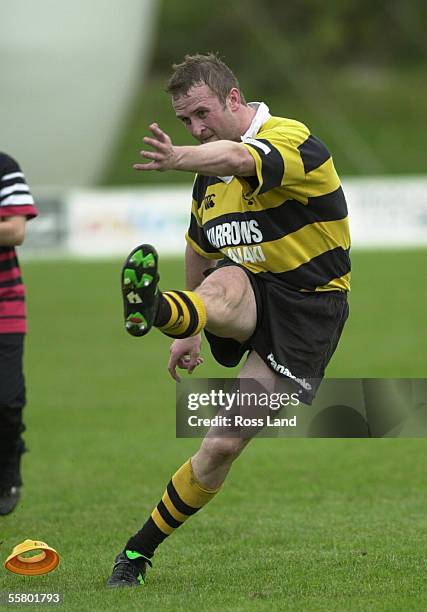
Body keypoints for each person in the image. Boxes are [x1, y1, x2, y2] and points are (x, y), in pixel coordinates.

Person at [107, 53, 350, 587]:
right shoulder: (206, 181)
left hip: (311, 309)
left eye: (201, 113)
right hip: (248, 292)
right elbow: (198, 248)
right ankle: (163, 310)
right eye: (184, 122)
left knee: (219, 446)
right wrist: (190, 327)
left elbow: (240, 159)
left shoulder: (293, 138)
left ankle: (137, 549)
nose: (194, 127)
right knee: (227, 279)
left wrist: (181, 156)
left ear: (234, 99)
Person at [0, 152, 38, 515]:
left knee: (8, 400)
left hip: (4, 302)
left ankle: (8, 463)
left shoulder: (4, 167)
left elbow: (15, 230)